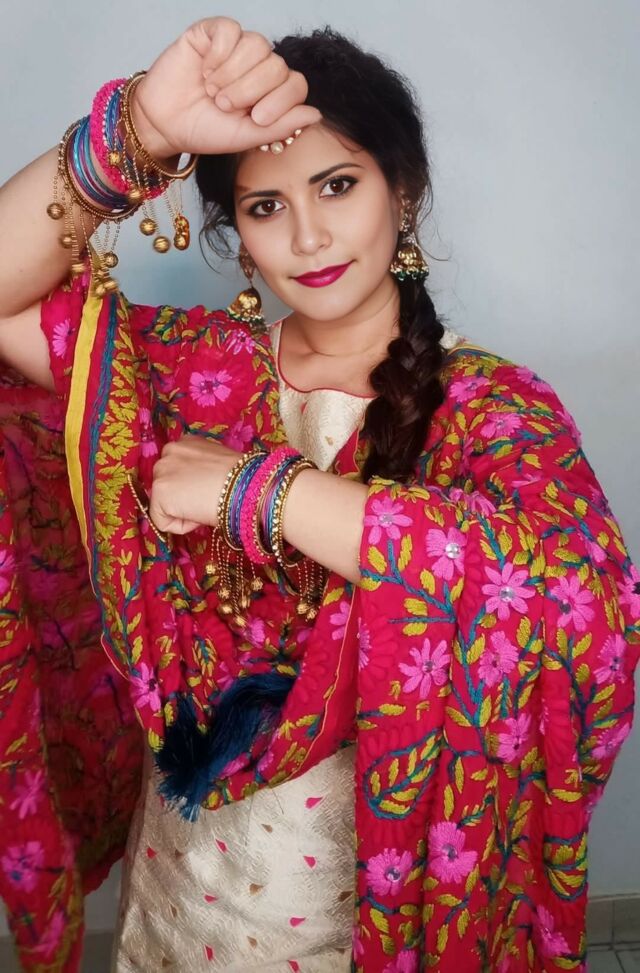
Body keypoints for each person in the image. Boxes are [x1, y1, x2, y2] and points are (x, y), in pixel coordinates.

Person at [0, 15, 637, 973]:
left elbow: (577, 597)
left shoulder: (489, 407)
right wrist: (138, 128)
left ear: (403, 190)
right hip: (182, 889)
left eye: (338, 185)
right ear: (236, 234)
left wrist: (257, 491)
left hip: (377, 911)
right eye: (266, 205)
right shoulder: (187, 372)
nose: (307, 236)